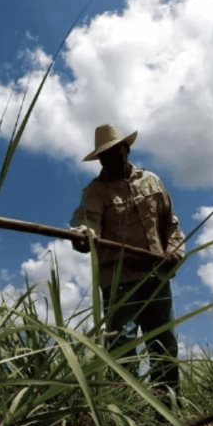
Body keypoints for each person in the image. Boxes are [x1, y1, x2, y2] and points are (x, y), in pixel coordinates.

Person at [70, 124, 185, 391]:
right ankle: (126, 411)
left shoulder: (152, 182)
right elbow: (89, 220)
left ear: (126, 150)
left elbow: (171, 224)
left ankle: (168, 407)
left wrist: (174, 252)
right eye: (104, 156)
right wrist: (84, 235)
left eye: (114, 152)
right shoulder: (96, 192)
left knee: (164, 343)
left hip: (156, 277)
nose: (109, 160)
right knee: (122, 344)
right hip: (119, 281)